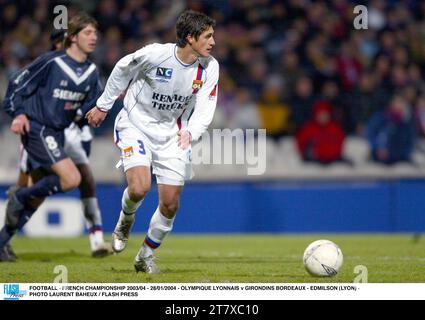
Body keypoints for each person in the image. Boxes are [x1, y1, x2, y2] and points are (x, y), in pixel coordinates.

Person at [86, 10, 219, 273]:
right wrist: (103, 104)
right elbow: (122, 69)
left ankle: (144, 256)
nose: (213, 42)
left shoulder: (209, 67)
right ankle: (125, 220)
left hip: (173, 135)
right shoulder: (155, 54)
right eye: (208, 36)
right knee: (139, 188)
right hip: (136, 125)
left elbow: (206, 106)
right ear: (190, 38)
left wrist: (191, 131)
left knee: (170, 203)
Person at [0, 13, 103, 262]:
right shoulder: (51, 62)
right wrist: (19, 114)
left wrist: (98, 112)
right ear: (73, 38)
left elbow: (87, 109)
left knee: (39, 194)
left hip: (56, 134)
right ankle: (20, 196)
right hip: (38, 129)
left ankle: (2, 241)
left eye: (95, 33)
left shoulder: (91, 72)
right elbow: (17, 85)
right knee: (71, 178)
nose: (93, 37)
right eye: (87, 33)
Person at [367, 94, 416, 164]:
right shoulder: (380, 117)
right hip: (379, 158)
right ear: (391, 103)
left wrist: (400, 154)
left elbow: (410, 142)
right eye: (397, 102)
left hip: (400, 160)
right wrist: (378, 149)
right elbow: (370, 134)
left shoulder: (407, 122)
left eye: (402, 102)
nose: (400, 105)